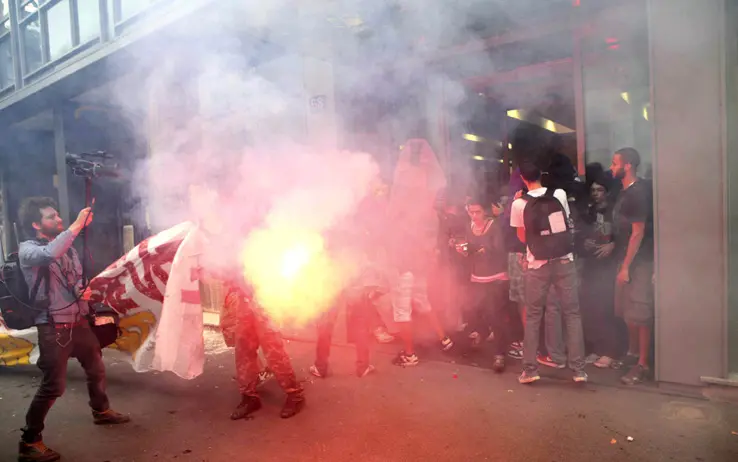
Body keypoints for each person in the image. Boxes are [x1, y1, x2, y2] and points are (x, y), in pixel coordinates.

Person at [17, 197, 130, 462]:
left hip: (78, 322)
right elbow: (48, 254)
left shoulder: (67, 249)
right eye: (51, 217)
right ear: (36, 224)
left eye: (58, 215)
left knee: (96, 367)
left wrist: (83, 291)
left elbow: (74, 279)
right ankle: (29, 442)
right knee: (53, 386)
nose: (58, 220)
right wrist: (77, 224)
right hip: (53, 328)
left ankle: (101, 411)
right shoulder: (28, 250)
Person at [510, 163, 588, 384]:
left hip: (538, 264)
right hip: (564, 260)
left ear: (523, 179)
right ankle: (579, 370)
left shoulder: (519, 203)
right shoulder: (560, 194)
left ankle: (530, 370)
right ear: (541, 175)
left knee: (534, 315)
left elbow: (523, 238)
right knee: (572, 313)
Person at [221, 280, 305, 420]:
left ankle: (295, 395)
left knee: (273, 351)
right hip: (243, 298)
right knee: (243, 350)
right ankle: (249, 397)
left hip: (266, 297)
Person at [609, 148, 654, 385]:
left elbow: (638, 232)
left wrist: (626, 267)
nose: (611, 167)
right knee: (628, 312)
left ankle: (643, 364)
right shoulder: (624, 192)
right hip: (626, 260)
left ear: (627, 166)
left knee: (640, 312)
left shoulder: (637, 193)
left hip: (640, 262)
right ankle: (633, 353)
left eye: (615, 163)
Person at [577, 175, 627, 368]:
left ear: (607, 191)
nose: (596, 194)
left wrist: (613, 245)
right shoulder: (589, 211)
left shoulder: (614, 211)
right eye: (593, 190)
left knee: (607, 307)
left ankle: (611, 351)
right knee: (591, 308)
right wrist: (584, 242)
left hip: (608, 265)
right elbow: (580, 233)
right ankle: (597, 348)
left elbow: (624, 234)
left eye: (600, 190)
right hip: (591, 264)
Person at [456, 197, 509, 372]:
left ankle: (500, 354)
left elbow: (499, 249)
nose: (474, 216)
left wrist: (483, 250)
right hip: (477, 275)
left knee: (495, 314)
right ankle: (482, 333)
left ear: (485, 211)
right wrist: (463, 249)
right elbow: (468, 247)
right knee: (474, 309)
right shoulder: (468, 226)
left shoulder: (494, 226)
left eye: (477, 212)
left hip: (495, 276)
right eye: (471, 212)